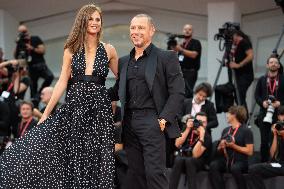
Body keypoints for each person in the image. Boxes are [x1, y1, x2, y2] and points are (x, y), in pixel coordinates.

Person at [0, 4, 118, 188]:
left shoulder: (109, 49)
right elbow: (62, 82)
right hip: (75, 109)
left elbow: (122, 80)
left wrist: (109, 97)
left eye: (98, 19)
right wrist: (46, 114)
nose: (95, 22)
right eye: (91, 19)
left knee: (97, 157)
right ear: (82, 21)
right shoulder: (71, 49)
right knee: (72, 155)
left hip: (99, 112)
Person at [108, 14, 185, 189]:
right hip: (129, 124)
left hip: (154, 121)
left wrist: (164, 118)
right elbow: (117, 91)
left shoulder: (167, 57)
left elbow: (178, 91)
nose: (136, 32)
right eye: (133, 28)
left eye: (141, 28)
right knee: (136, 173)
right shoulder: (123, 61)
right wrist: (90, 92)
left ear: (152, 30)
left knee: (154, 173)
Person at [209, 105, 254, 189]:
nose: (227, 115)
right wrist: (220, 146)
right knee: (213, 165)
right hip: (226, 160)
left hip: (240, 161)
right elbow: (219, 151)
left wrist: (234, 146)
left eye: (228, 113)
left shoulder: (246, 131)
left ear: (234, 115)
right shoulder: (226, 130)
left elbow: (250, 151)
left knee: (235, 168)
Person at [169, 112, 212, 189]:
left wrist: (201, 137)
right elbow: (177, 144)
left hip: (198, 161)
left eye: (204, 122)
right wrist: (188, 128)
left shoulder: (207, 136)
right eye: (199, 121)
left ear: (206, 124)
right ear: (194, 121)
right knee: (178, 159)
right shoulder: (187, 129)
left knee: (190, 161)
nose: (201, 124)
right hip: (183, 159)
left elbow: (195, 155)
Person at [255, 55, 284, 162]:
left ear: (279, 65)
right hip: (264, 113)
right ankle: (264, 162)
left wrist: (280, 103)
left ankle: (277, 162)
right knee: (264, 140)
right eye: (271, 62)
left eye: (276, 62)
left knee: (278, 138)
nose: (273, 64)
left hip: (279, 114)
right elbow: (256, 95)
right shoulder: (262, 79)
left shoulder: (283, 79)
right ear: (267, 65)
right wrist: (262, 103)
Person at [248, 106, 284, 189]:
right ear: (278, 117)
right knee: (252, 169)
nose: (283, 118)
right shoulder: (277, 130)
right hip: (277, 164)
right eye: (281, 115)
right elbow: (272, 154)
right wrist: (275, 135)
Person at [15, 24, 54, 99]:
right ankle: (35, 100)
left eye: (24, 31)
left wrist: (32, 48)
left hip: (40, 65)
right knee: (33, 89)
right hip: (31, 68)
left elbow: (43, 50)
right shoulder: (20, 43)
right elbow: (16, 56)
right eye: (21, 32)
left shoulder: (35, 39)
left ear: (27, 31)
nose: (23, 33)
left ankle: (39, 94)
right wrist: (18, 44)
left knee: (50, 76)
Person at [173, 24, 202, 98]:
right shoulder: (181, 43)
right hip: (180, 71)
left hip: (190, 72)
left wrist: (181, 50)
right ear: (183, 31)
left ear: (192, 32)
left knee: (187, 93)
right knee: (178, 92)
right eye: (185, 29)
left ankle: (187, 108)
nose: (187, 31)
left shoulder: (196, 42)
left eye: (189, 29)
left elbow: (194, 55)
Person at [228, 30, 254, 109]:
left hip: (245, 75)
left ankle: (243, 118)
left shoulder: (244, 42)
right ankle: (243, 117)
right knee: (238, 97)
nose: (231, 40)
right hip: (239, 75)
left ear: (236, 35)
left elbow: (251, 56)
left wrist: (239, 65)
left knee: (239, 97)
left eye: (231, 37)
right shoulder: (236, 45)